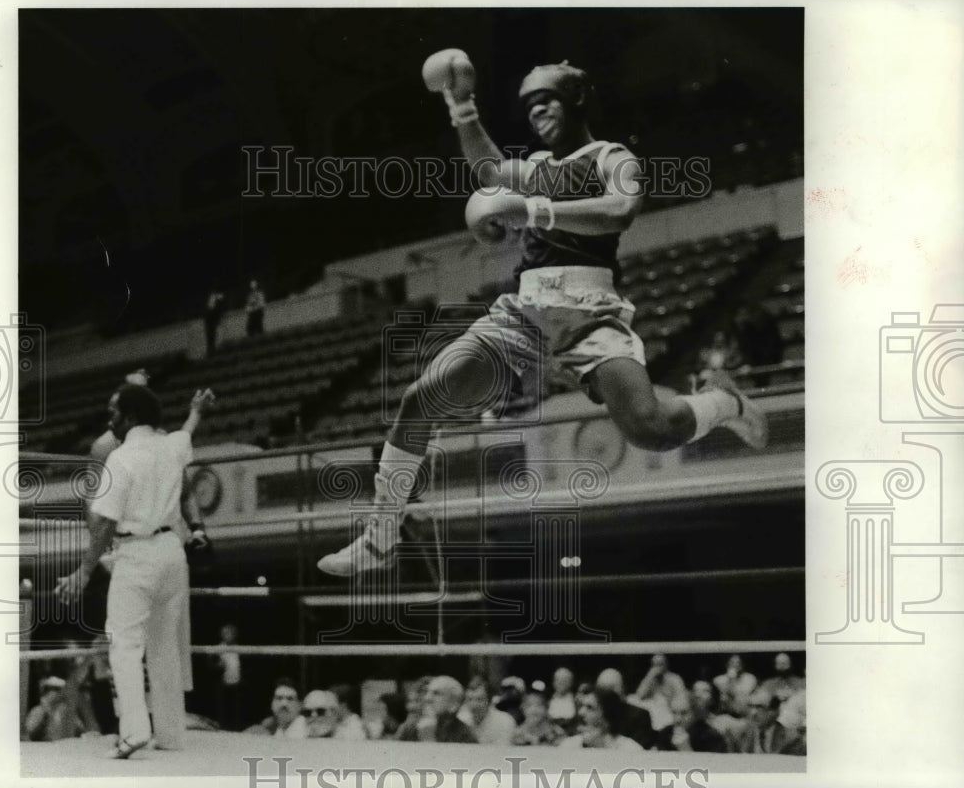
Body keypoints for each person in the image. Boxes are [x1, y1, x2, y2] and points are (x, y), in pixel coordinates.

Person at [318, 51, 767, 577]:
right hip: (523, 311)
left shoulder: (610, 156)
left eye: (546, 98)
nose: (536, 111)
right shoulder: (534, 169)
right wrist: (461, 106)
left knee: (651, 429)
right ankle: (381, 535)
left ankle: (722, 401)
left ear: (578, 98)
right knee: (422, 397)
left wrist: (531, 209)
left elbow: (621, 209)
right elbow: (489, 170)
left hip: (588, 312)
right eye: (528, 105)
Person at [54, 384, 214, 759]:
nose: (110, 420)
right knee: (164, 647)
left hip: (136, 553)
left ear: (130, 417)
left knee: (124, 646)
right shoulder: (171, 446)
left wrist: (83, 571)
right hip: (172, 553)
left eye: (114, 412)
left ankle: (134, 731)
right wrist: (196, 410)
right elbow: (186, 433)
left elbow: (105, 524)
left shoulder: (122, 459)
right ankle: (171, 734)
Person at [397, 676, 477, 744]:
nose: (427, 698)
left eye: (436, 693)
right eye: (427, 692)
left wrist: (428, 738)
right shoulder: (409, 727)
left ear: (453, 704)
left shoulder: (465, 734)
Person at [560, 688, 643, 751]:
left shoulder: (631, 750)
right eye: (582, 706)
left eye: (590, 708)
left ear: (607, 716)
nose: (581, 712)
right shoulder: (568, 746)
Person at [596, 667, 656, 749]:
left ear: (621, 690)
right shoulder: (596, 714)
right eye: (602, 690)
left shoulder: (640, 716)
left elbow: (639, 752)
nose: (607, 696)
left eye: (610, 690)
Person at [653, 692, 728, 753]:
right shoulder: (665, 733)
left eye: (684, 713)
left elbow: (715, 768)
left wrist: (686, 750)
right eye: (674, 713)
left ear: (695, 713)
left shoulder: (711, 736)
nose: (678, 719)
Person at [23, 676, 90, 742]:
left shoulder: (67, 711)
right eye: (54, 689)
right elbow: (29, 733)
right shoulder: (38, 711)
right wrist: (45, 716)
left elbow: (82, 731)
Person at [632, 653, 687, 732]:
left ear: (666, 665)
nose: (658, 668)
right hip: (653, 715)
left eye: (660, 664)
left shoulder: (675, 679)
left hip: (670, 713)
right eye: (655, 665)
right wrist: (650, 676)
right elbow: (638, 697)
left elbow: (681, 700)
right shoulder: (650, 679)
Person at [460, 675, 516, 745]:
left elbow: (503, 752)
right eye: (470, 699)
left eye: (479, 700)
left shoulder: (505, 721)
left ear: (489, 701)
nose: (474, 705)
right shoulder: (461, 719)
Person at [213, 623, 243, 731]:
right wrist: (218, 665)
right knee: (223, 708)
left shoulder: (239, 648)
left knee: (237, 708)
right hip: (224, 684)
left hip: (237, 683)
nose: (227, 635)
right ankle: (222, 728)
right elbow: (211, 665)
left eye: (229, 633)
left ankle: (237, 728)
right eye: (225, 633)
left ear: (235, 634)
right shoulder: (219, 648)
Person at [712, 654, 758, 718]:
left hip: (744, 713)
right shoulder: (718, 680)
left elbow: (743, 698)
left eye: (738, 662)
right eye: (732, 662)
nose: (735, 665)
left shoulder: (750, 678)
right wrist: (730, 679)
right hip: (724, 713)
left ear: (742, 665)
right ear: (727, 664)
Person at [547, 667, 578, 734]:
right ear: (553, 682)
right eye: (558, 680)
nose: (560, 683)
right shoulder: (547, 701)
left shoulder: (577, 701)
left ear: (571, 683)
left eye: (564, 680)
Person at [204, 287, 227, 356]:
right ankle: (211, 351)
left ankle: (212, 351)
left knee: (212, 338)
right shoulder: (211, 303)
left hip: (211, 321)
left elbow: (220, 298)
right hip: (210, 322)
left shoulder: (214, 300)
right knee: (210, 338)